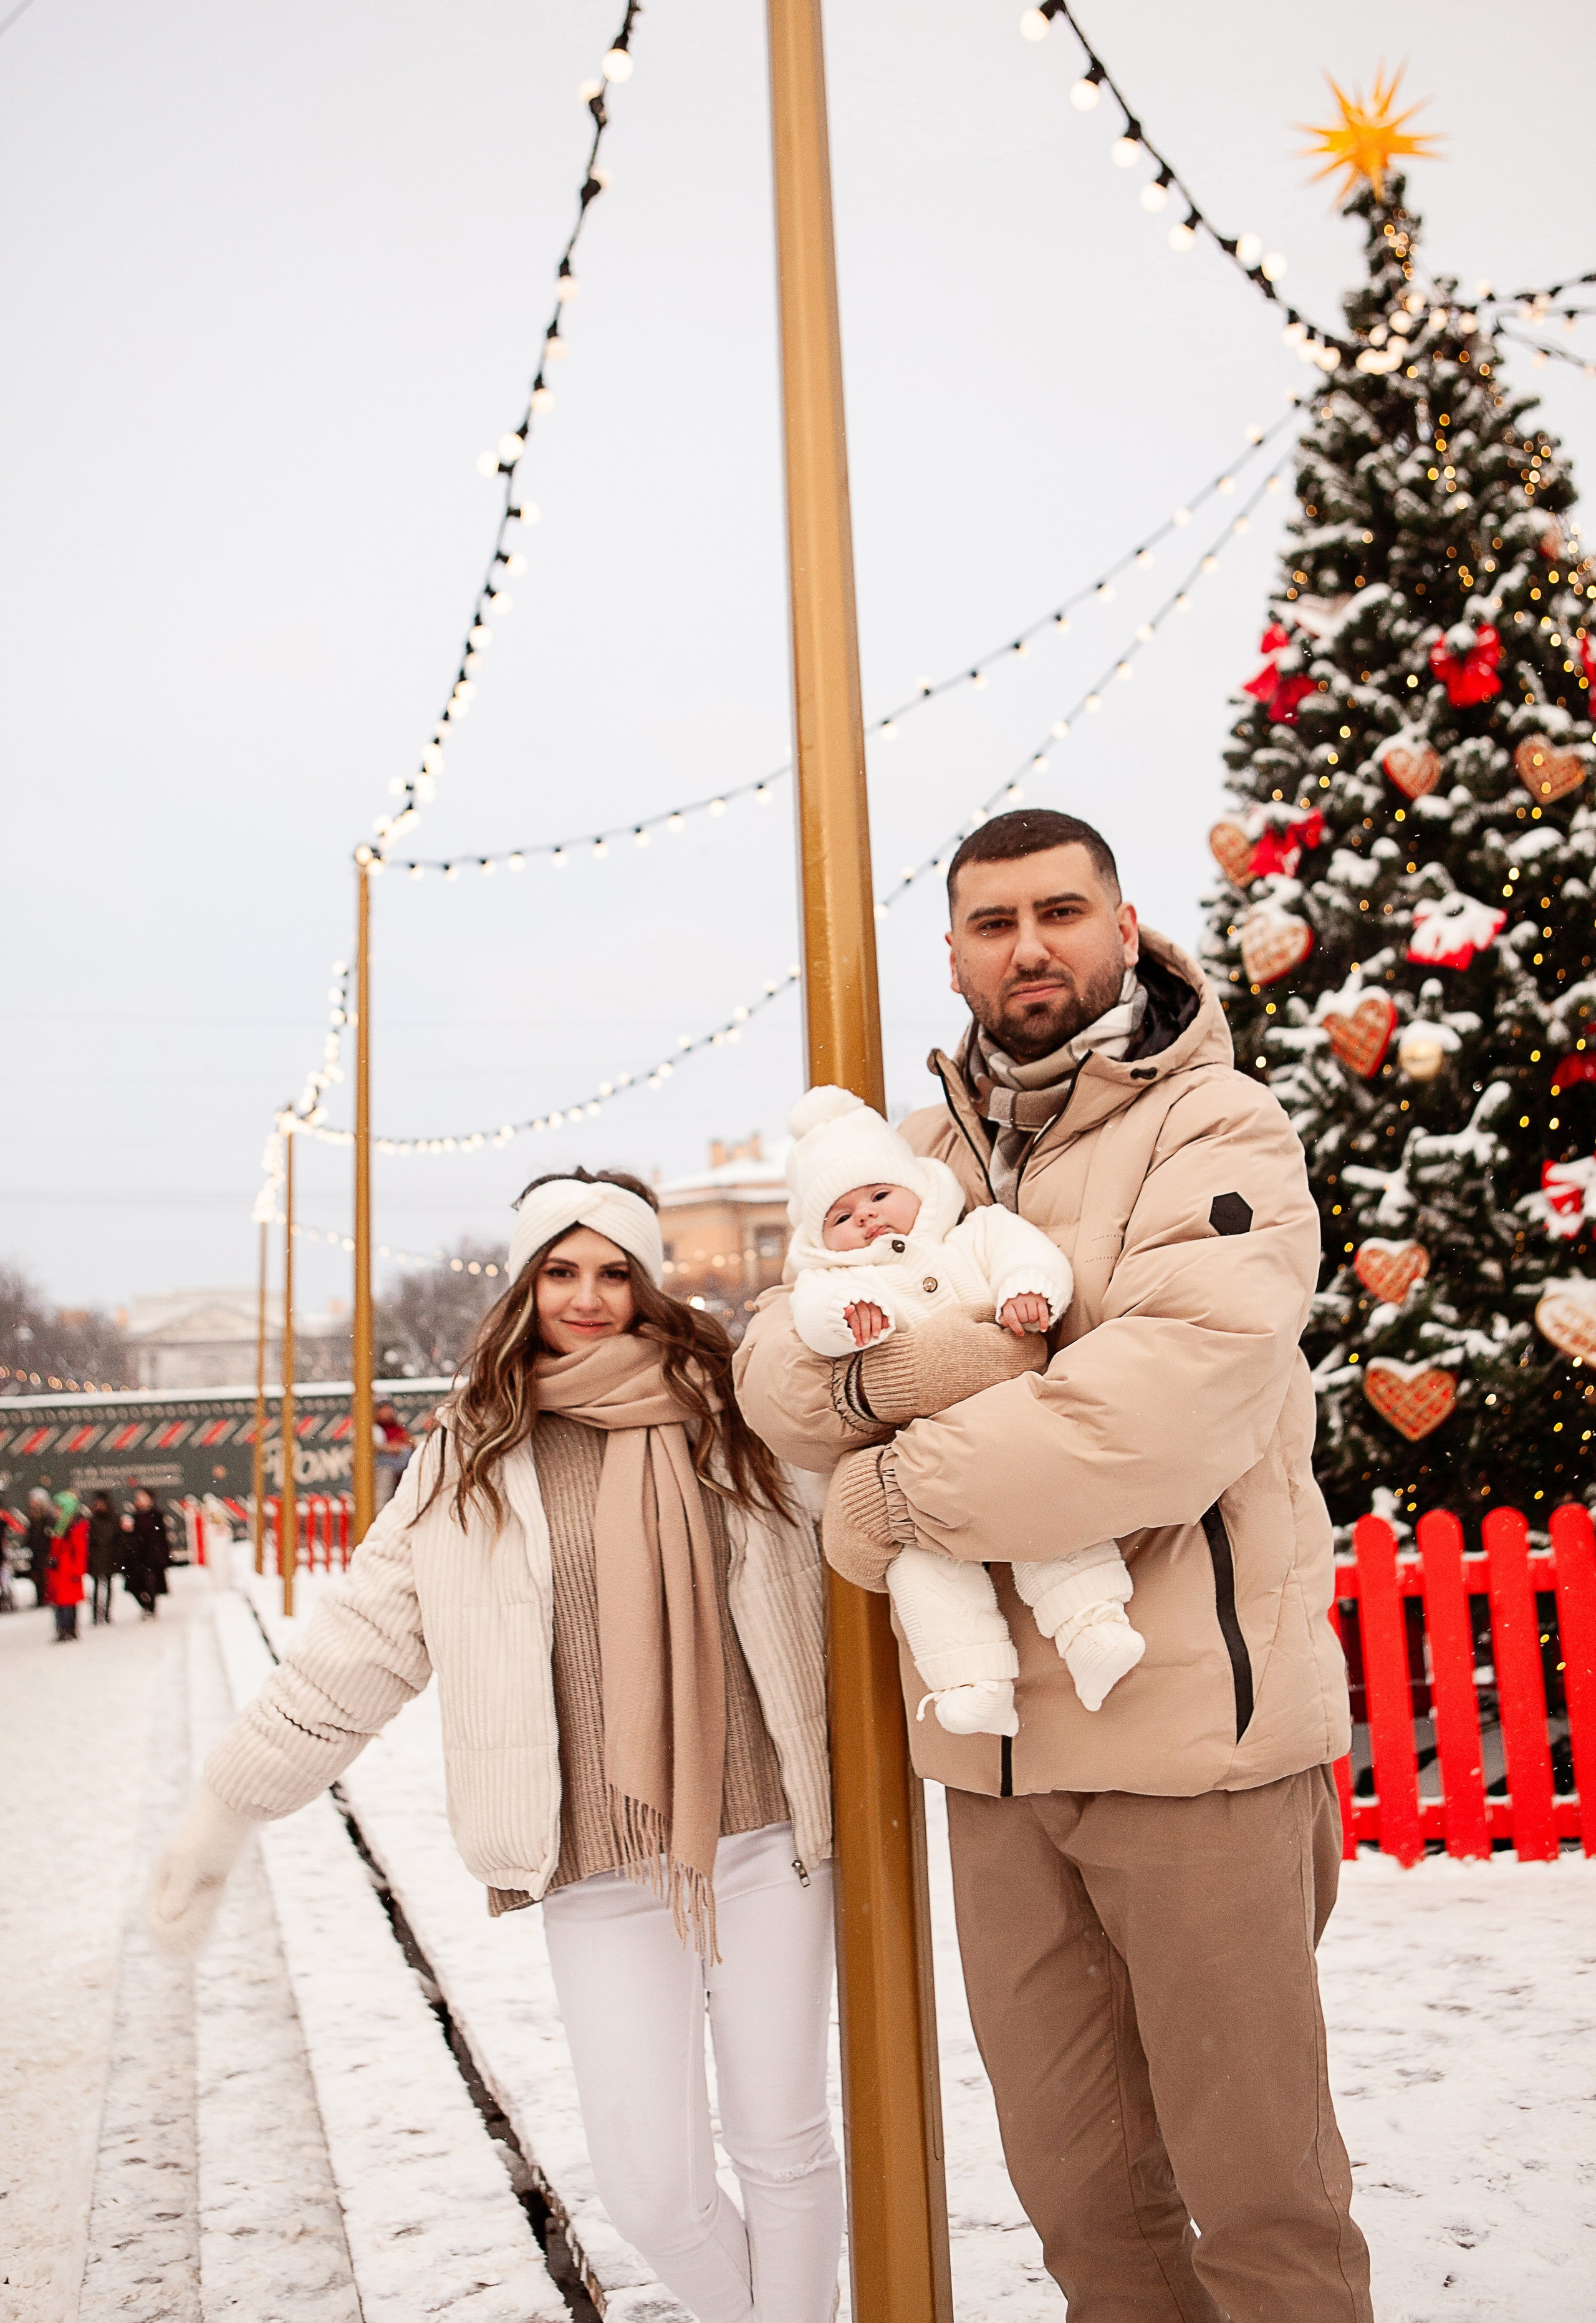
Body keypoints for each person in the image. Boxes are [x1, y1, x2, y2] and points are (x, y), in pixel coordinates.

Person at [735, 809, 1372, 2323]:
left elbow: (1161, 1406)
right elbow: (775, 1373)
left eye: (1059, 910)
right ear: (949, 951)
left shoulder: (1212, 1125)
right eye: (991, 919)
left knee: (1259, 2204)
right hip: (997, 1768)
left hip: (1192, 1747)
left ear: (1121, 922)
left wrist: (885, 1495)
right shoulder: (906, 1156)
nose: (1028, 945)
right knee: (1085, 2210)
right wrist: (970, 1358)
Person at [149, 1168, 841, 2323]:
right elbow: (358, 1649)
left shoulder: (740, 1418)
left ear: (648, 1283)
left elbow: (860, 1549)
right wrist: (224, 1809)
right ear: (525, 1285)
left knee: (785, 2147)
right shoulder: (471, 1457)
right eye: (561, 1271)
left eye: (615, 1271)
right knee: (652, 2194)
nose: (588, 1296)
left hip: (765, 1834)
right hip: (594, 1861)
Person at [783, 1083, 1142, 1728]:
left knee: (1044, 1511)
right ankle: (970, 1679)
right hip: (911, 1450)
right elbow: (809, 1316)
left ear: (918, 1189)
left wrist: (1026, 1291)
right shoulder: (835, 1281)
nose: (865, 1217)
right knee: (921, 1565)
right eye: (840, 1216)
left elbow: (1029, 1255)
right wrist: (845, 1319)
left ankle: (1092, 1626)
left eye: (878, 1195)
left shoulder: (974, 1232)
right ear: (821, 1239)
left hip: (1008, 1424)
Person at [44, 1492, 89, 1641]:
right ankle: (64, 1629)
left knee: (66, 1603)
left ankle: (67, 1630)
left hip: (68, 1572)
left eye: (59, 1508)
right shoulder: (61, 1527)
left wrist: (78, 1571)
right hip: (60, 1571)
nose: (56, 1512)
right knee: (62, 1602)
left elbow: (80, 1552)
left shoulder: (74, 1529)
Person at [123, 1487, 171, 1618]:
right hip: (138, 1557)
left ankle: (151, 1608)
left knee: (151, 1583)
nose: (139, 1500)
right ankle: (146, 1605)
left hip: (152, 1557)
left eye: (142, 1497)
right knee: (134, 1585)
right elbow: (130, 1537)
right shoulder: (134, 1516)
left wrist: (163, 1554)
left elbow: (161, 1537)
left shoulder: (156, 1515)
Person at [87, 1490, 123, 1625]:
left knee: (108, 1586)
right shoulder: (93, 1520)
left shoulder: (113, 1519)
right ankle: (96, 1615)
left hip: (109, 1556)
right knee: (97, 1586)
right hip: (97, 1557)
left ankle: (107, 1613)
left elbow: (119, 1539)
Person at [372, 1399, 413, 1512]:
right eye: (382, 1408)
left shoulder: (398, 1429)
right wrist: (387, 1448)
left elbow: (410, 1444)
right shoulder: (371, 1428)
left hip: (402, 1483)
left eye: (388, 1408)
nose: (386, 1411)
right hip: (378, 1479)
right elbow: (367, 1448)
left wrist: (402, 1446)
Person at [24, 1487, 54, 1612]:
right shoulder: (32, 1517)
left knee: (44, 1576)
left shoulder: (47, 1518)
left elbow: (48, 1536)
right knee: (36, 1576)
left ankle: (45, 1598)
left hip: (44, 1552)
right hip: (35, 1552)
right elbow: (31, 1535)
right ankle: (41, 1598)